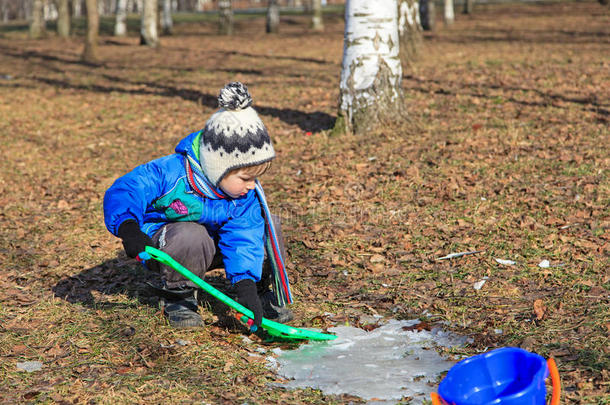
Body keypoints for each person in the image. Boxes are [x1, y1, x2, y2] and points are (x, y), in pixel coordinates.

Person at [103, 82, 294, 329]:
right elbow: (126, 190)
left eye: (255, 178)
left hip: (213, 248)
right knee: (190, 233)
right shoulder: (171, 172)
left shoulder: (243, 196)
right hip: (166, 248)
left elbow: (244, 237)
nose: (251, 185)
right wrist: (129, 229)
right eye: (245, 178)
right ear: (219, 167)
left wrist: (245, 285)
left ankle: (257, 291)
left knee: (267, 224)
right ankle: (179, 295)